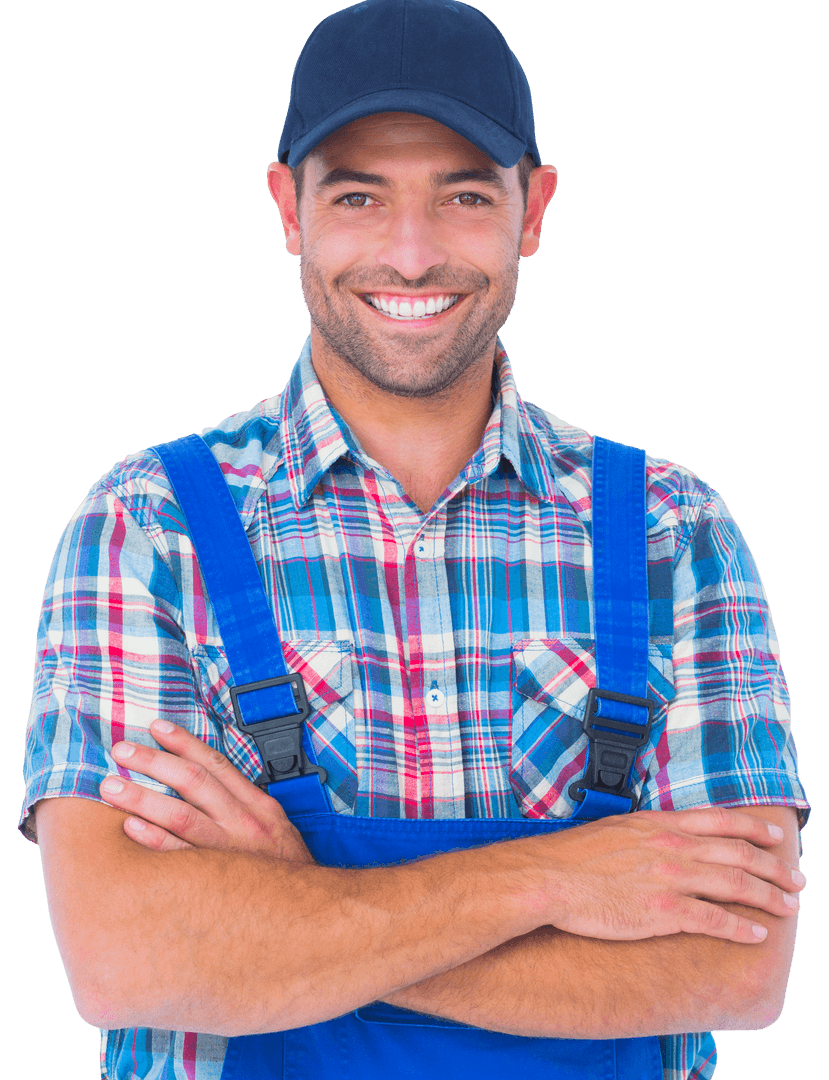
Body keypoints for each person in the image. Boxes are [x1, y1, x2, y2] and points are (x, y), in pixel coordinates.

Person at [20, 1, 810, 1078]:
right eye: (357, 195)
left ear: (532, 209)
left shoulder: (676, 530)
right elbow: (125, 959)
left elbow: (738, 971)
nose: (410, 252)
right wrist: (551, 882)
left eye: (463, 195)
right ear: (286, 207)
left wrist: (288, 906)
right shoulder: (147, 526)